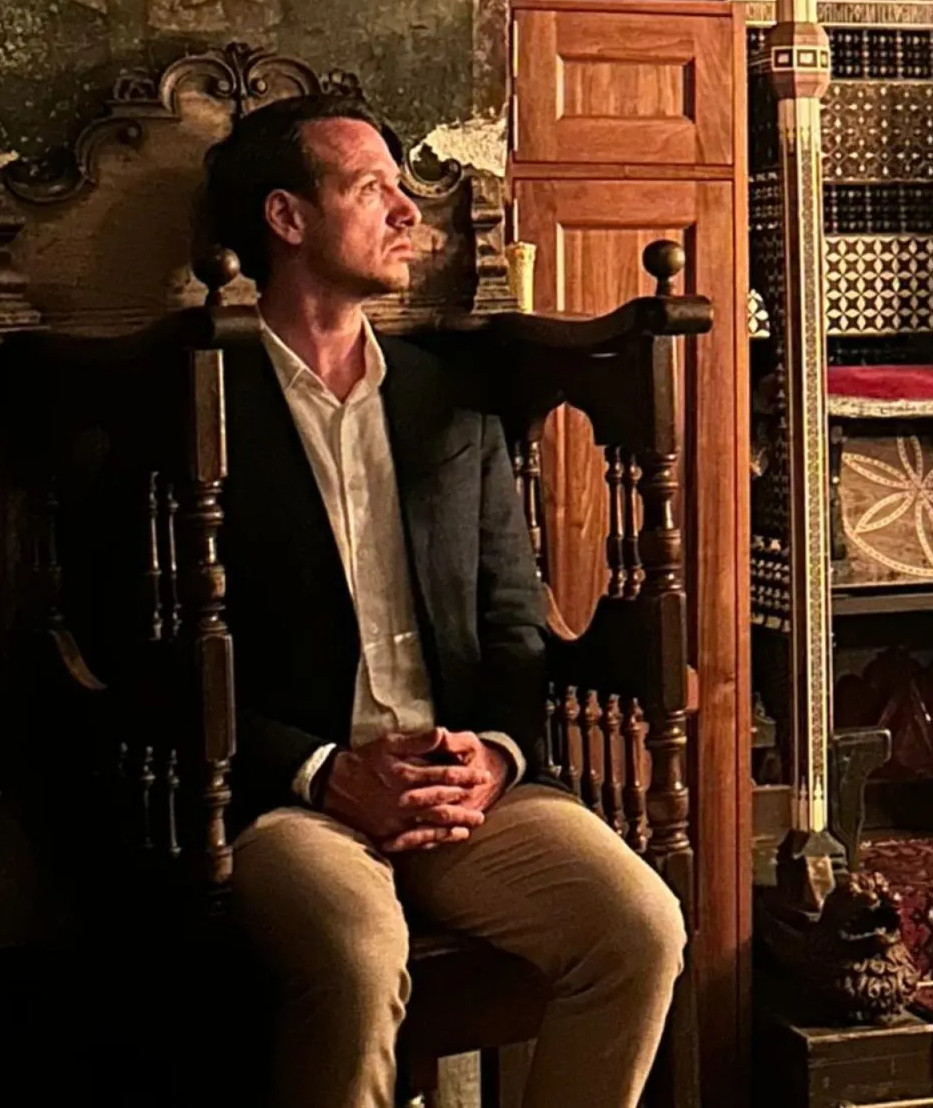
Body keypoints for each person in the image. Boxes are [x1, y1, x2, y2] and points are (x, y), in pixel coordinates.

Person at [202, 93, 684, 1108]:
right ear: (287, 218)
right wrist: (325, 770)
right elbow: (155, 651)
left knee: (640, 927)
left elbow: (512, 617)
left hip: (462, 786)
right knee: (359, 954)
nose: (406, 211)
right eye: (370, 187)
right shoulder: (206, 400)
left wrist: (495, 753)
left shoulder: (445, 398)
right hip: (294, 799)